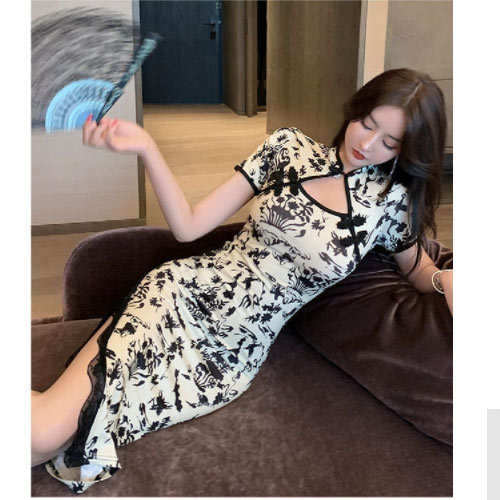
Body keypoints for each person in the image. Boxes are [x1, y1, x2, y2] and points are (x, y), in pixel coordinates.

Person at [31, 67, 453, 493]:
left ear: (407, 150)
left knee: (49, 438)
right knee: (44, 435)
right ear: (355, 110)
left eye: (389, 142)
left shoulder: (391, 205)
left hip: (230, 357)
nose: (367, 144)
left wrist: (447, 281)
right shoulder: (287, 148)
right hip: (178, 297)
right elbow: (188, 227)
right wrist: (148, 149)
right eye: (367, 123)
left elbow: (418, 268)